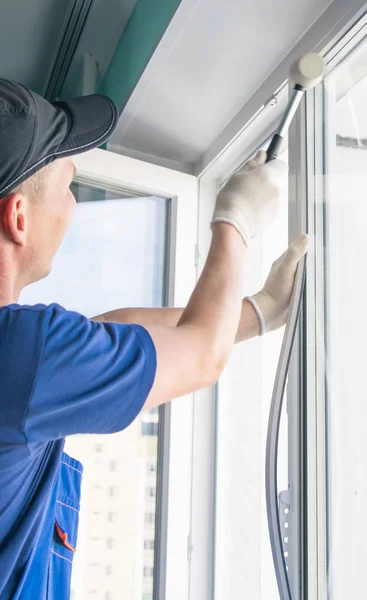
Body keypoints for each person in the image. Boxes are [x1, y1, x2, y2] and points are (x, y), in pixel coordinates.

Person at [0, 78, 308, 599]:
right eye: (67, 186)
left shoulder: (24, 355)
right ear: (18, 217)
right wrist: (234, 223)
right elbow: (199, 359)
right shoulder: (24, 354)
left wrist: (256, 310)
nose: (72, 206)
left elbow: (107, 334)